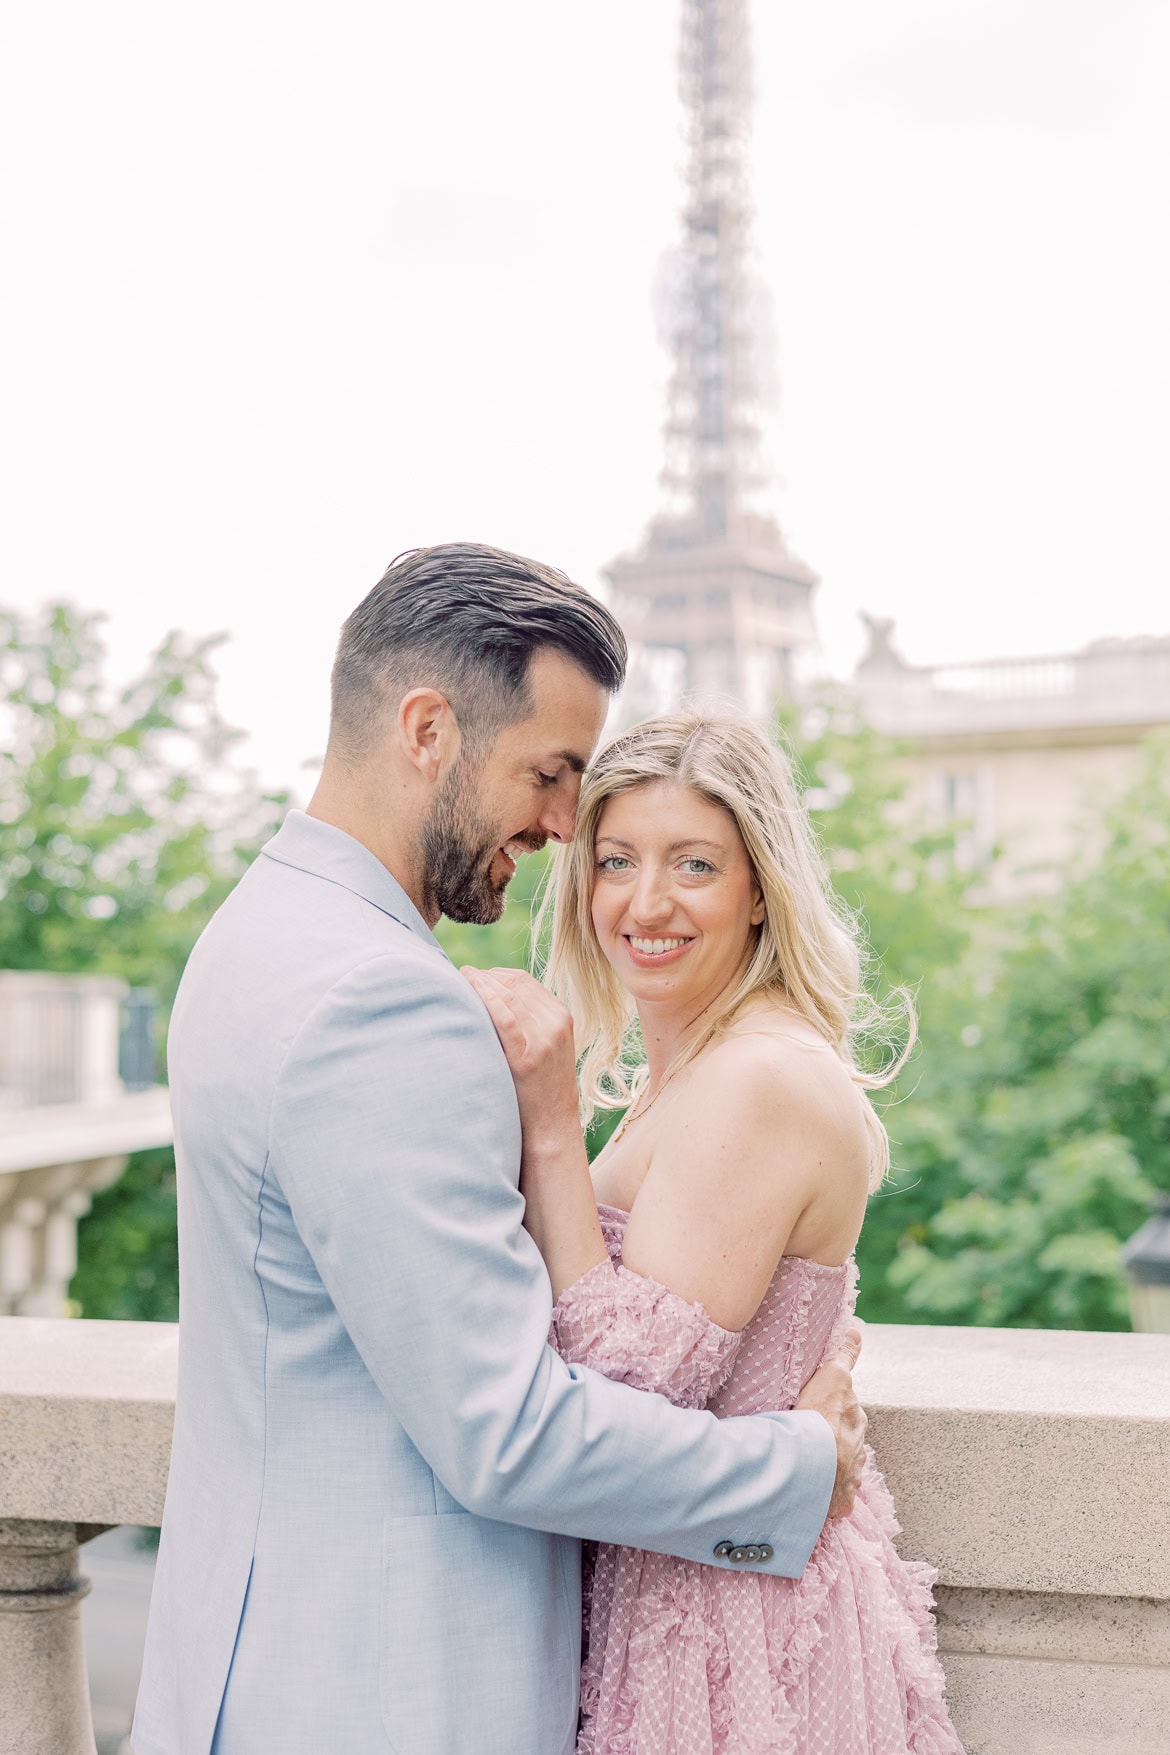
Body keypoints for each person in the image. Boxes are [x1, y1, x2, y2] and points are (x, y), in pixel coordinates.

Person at [132, 545, 866, 1755]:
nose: (568, 826)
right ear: (428, 729)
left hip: (253, 1661)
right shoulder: (385, 1000)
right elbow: (506, 1431)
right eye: (550, 773)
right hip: (387, 1698)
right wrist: (791, 1475)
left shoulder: (254, 933)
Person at [464, 711, 965, 1754]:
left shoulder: (758, 1077)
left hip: (734, 1634)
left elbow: (621, 1396)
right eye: (616, 861)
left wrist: (552, 1126)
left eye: (694, 864)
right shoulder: (693, 1070)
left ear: (757, 893)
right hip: (689, 1586)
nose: (646, 903)